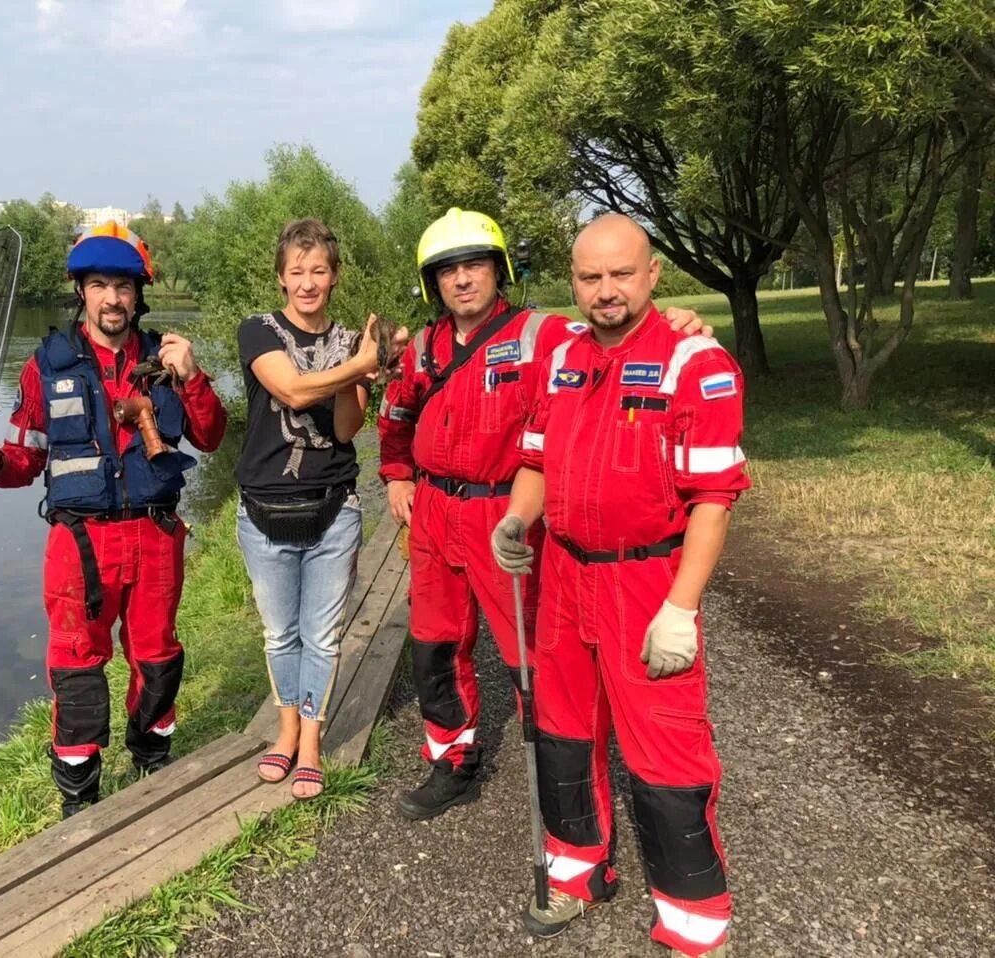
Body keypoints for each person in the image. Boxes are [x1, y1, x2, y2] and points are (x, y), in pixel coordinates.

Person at [378, 208, 709, 821]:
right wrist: (398, 474)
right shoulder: (422, 347)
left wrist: (678, 322)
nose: (462, 280)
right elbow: (396, 417)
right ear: (433, 283)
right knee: (434, 644)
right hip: (432, 513)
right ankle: (452, 759)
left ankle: (558, 762)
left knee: (532, 649)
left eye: (475, 264)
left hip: (508, 509)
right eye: (447, 270)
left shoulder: (546, 334)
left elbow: (618, 334)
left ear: (498, 270)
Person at [493, 213, 748, 957]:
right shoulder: (563, 359)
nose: (605, 291)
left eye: (621, 274)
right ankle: (577, 876)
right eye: (589, 276)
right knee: (564, 732)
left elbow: (713, 499)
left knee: (667, 753)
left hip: (647, 581)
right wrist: (516, 520)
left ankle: (694, 921)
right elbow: (536, 460)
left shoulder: (696, 362)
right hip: (565, 575)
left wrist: (680, 607)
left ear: (652, 274)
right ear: (573, 280)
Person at [0, 220, 227, 818]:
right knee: (76, 666)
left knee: (157, 656)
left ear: (138, 294)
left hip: (156, 534)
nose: (112, 299)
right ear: (81, 290)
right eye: (99, 284)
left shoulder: (164, 358)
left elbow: (211, 435)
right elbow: (25, 460)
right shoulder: (45, 367)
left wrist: (194, 375)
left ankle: (153, 766)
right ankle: (80, 801)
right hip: (80, 543)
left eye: (123, 286)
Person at [236, 217, 407, 801]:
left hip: (334, 508)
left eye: (319, 271)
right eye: (296, 271)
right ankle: (284, 734)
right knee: (280, 635)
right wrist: (360, 367)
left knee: (323, 637)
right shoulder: (256, 329)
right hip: (263, 510)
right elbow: (289, 391)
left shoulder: (349, 345)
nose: (307, 282)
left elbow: (345, 426)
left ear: (333, 277)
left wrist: (364, 369)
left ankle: (311, 741)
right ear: (281, 278)